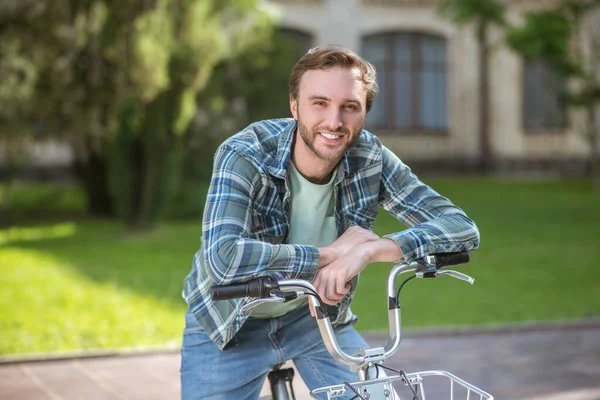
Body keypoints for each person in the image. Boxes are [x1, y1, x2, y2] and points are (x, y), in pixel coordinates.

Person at [180, 44, 480, 399]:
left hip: (314, 318)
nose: (334, 122)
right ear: (294, 106)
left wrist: (371, 251)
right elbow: (223, 259)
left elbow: (460, 228)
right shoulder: (245, 153)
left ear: (364, 112)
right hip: (230, 321)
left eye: (349, 107)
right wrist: (329, 254)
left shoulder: (370, 156)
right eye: (319, 103)